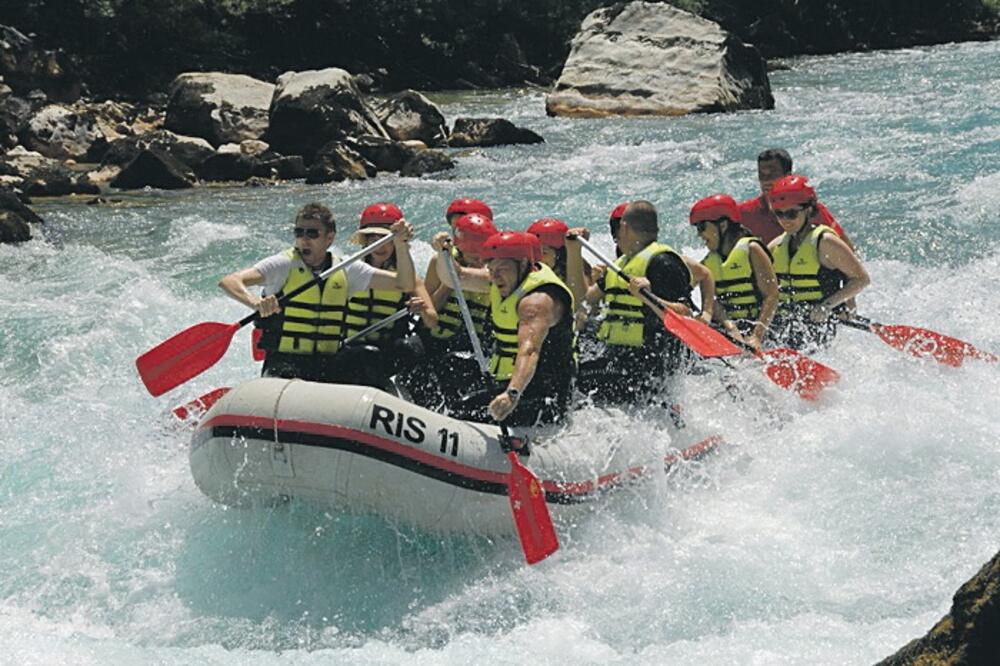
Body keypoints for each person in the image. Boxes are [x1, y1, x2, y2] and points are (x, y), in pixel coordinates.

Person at [218, 202, 416, 385]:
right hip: (286, 363)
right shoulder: (283, 264)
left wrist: (401, 245)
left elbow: (404, 283)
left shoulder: (347, 269)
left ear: (329, 238)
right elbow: (230, 281)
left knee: (366, 356)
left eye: (312, 233)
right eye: (299, 232)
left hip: (327, 364)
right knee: (287, 375)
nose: (304, 239)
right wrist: (255, 303)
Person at [573, 200, 716, 405]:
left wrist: (650, 297)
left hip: (652, 362)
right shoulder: (621, 265)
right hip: (622, 358)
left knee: (579, 380)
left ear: (624, 227)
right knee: (576, 372)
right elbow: (584, 301)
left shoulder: (664, 262)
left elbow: (684, 313)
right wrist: (574, 252)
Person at [434, 230, 575, 426]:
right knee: (459, 404)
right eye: (491, 269)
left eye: (502, 269)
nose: (496, 276)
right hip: (508, 380)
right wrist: (443, 252)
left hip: (545, 388)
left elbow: (529, 350)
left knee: (467, 416)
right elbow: (454, 277)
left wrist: (512, 394)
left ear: (524, 264)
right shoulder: (500, 278)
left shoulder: (537, 301)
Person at [767, 175, 870, 350]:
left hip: (818, 325)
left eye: (791, 214)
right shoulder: (776, 245)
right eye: (779, 214)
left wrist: (827, 306)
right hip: (784, 323)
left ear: (807, 210)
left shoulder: (826, 242)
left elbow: (861, 279)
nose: (785, 220)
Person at [689, 194, 779, 352]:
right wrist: (729, 327)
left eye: (702, 227)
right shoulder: (708, 263)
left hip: (763, 332)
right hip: (731, 334)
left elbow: (771, 296)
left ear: (722, 225)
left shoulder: (752, 249)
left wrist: (757, 336)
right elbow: (689, 289)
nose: (699, 235)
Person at [739, 148, 853, 246]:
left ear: (788, 176)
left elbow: (846, 249)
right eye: (762, 175)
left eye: (773, 174)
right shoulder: (744, 213)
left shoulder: (810, 210)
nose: (766, 180)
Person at [525, 217, 592, 307]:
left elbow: (580, 304)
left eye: (544, 252)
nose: (537, 258)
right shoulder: (526, 270)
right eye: (533, 251)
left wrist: (574, 249)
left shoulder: (577, 269)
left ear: (560, 255)